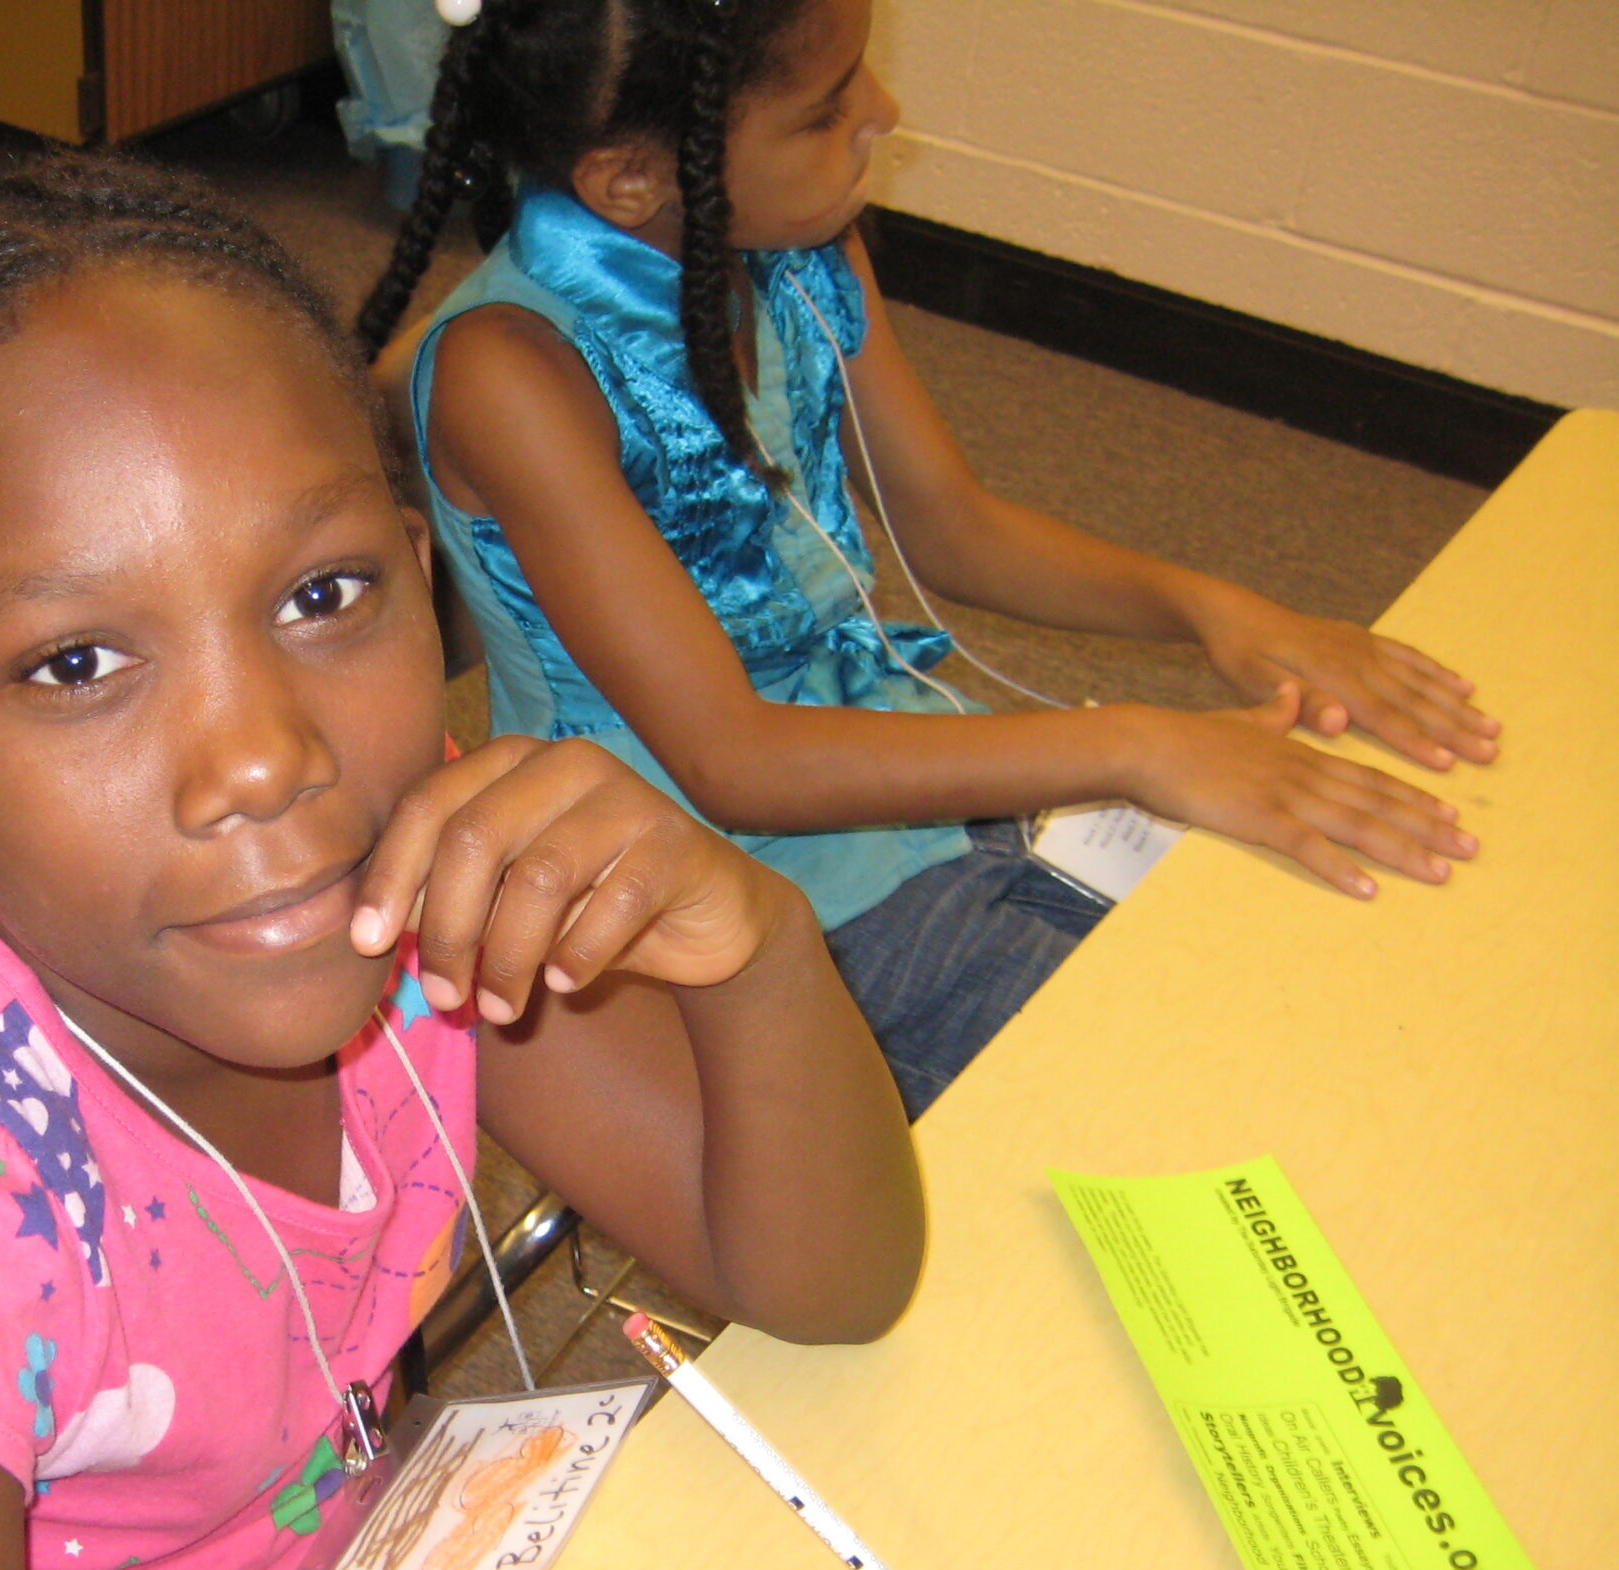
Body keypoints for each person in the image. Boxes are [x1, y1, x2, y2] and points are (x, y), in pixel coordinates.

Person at [0, 150, 1047, 1570]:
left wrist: (757, 947)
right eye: (79, 664)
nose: (265, 759)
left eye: (323, 598)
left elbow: (822, 1278)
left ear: (422, 581)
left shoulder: (394, 894)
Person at [356, 0, 1498, 1116]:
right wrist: (1136, 745)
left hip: (884, 785)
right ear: (632, 180)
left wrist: (1214, 611)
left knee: (1310, 970)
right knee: (1225, 1093)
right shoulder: (506, 372)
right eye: (823, 109)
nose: (885, 113)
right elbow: (733, 762)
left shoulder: (795, 246)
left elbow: (951, 522)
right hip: (706, 899)